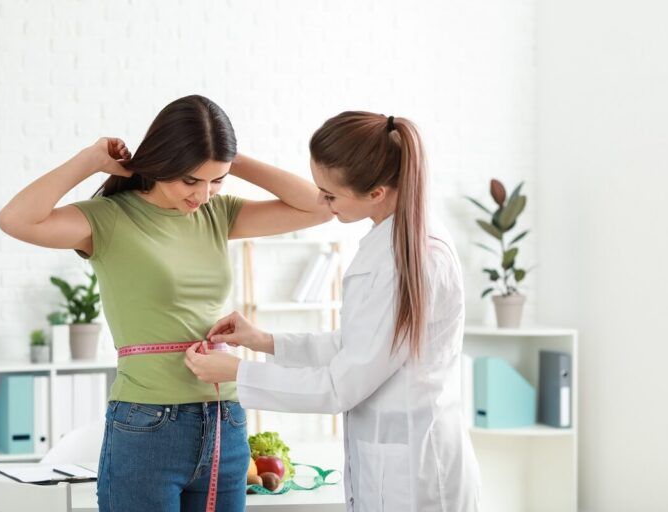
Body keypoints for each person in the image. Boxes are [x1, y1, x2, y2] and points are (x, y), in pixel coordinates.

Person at [0, 94, 333, 511]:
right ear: (161, 163)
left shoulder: (218, 214)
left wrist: (229, 159)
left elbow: (320, 208)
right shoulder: (107, 218)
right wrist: (89, 160)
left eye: (217, 181)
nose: (203, 195)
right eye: (190, 180)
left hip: (225, 419)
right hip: (147, 424)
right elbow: (15, 220)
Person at [184, 111, 481, 511]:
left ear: (376, 192)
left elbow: (340, 386)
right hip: (391, 463)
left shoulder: (414, 256)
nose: (322, 203)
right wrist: (263, 341)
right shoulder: (390, 239)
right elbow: (359, 346)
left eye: (330, 195)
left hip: (416, 477)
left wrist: (238, 374)